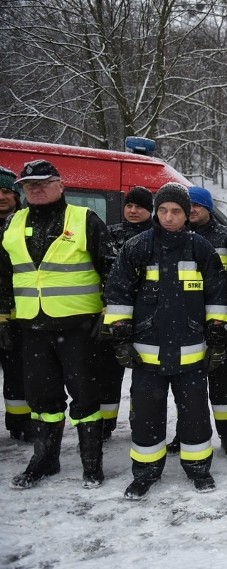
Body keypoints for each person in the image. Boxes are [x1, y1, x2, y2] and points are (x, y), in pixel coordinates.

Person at [103, 183, 227, 499]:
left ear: (187, 215)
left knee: (195, 417)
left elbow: (217, 295)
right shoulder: (137, 247)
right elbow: (118, 293)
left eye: (176, 211)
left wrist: (216, 337)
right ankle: (145, 473)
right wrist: (120, 335)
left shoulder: (201, 249)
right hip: (147, 355)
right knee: (145, 416)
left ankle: (198, 469)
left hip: (191, 354)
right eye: (163, 210)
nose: (169, 217)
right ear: (156, 213)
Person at [0, 159, 113, 489]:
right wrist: (3, 318)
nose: (35, 189)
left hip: (78, 327)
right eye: (28, 185)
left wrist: (109, 314)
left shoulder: (84, 219)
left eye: (43, 183)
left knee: (85, 398)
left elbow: (110, 269)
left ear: (60, 185)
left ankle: (91, 464)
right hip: (32, 328)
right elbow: (3, 278)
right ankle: (45, 459)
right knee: (41, 401)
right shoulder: (13, 224)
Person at [183, 185, 227, 457]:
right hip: (185, 325)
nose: (192, 210)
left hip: (221, 323)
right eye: (189, 205)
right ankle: (185, 434)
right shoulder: (176, 236)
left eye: (198, 205)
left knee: (224, 386)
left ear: (208, 208)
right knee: (187, 388)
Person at [98, 186, 155, 440]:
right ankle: (104, 425)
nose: (133, 211)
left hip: (147, 318)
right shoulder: (110, 234)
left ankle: (139, 421)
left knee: (143, 379)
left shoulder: (158, 236)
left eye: (139, 207)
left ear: (150, 211)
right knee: (108, 374)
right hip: (113, 314)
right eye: (129, 205)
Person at [0, 165, 32, 442]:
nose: (2, 197)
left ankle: (19, 423)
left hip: (19, 310)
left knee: (17, 371)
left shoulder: (25, 221)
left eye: (6, 191)